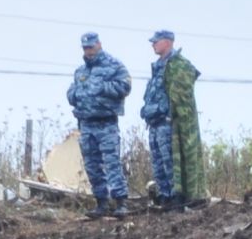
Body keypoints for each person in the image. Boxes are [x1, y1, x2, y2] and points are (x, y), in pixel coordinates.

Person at [66, 32, 132, 218]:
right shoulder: (80, 71)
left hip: (106, 123)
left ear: (99, 45)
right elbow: (71, 92)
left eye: (91, 47)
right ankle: (101, 202)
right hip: (86, 124)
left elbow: (125, 87)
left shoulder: (114, 65)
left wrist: (102, 87)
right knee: (92, 165)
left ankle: (120, 202)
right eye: (85, 48)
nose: (89, 51)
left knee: (111, 163)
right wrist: (75, 95)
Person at [142, 29, 207, 211]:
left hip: (168, 122)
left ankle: (177, 199)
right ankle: (165, 198)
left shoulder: (178, 64)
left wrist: (170, 114)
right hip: (154, 121)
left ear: (168, 42)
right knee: (159, 163)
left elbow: (181, 95)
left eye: (156, 41)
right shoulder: (158, 67)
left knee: (171, 162)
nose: (153, 44)